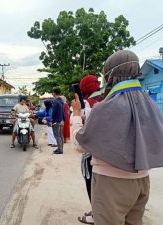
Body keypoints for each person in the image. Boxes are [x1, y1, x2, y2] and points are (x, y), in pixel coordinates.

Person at [72, 50, 163, 225]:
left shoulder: (104, 107)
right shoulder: (150, 104)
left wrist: (76, 116)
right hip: (142, 182)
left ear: (110, 75)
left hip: (111, 184)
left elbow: (80, 145)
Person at [78, 75, 103, 224]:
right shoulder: (108, 98)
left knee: (92, 184)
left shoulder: (87, 103)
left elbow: (83, 130)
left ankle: (96, 215)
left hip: (91, 152)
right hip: (109, 152)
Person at [51, 88, 64, 154]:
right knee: (60, 135)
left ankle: (60, 150)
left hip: (56, 121)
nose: (52, 94)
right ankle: (60, 148)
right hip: (60, 120)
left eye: (53, 92)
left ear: (54, 93)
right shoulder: (61, 101)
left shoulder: (56, 101)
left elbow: (54, 112)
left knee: (57, 136)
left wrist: (51, 119)